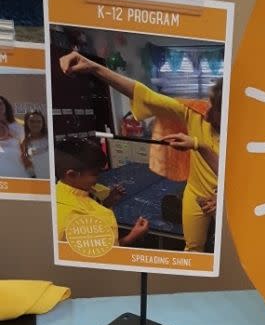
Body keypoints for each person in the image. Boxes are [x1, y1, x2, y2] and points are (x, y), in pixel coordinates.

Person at [59, 50, 221, 252]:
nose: (206, 113)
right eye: (208, 104)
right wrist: (94, 67)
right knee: (193, 247)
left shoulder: (247, 138)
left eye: (214, 110)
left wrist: (225, 198)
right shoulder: (196, 113)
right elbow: (144, 95)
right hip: (197, 193)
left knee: (228, 250)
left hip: (231, 199)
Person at [54, 137, 148, 247]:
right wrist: (132, 236)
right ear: (72, 174)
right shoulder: (97, 218)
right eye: (95, 174)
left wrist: (107, 203)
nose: (98, 178)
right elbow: (109, 253)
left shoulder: (53, 194)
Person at [0, 95, 26, 179]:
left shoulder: (17, 126)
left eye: (0, 104)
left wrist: (10, 132)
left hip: (15, 169)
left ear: (5, 106)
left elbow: (23, 144)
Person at [20, 109, 50, 179]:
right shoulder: (24, 142)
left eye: (39, 121)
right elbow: (27, 165)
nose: (35, 124)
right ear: (27, 123)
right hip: (38, 180)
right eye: (32, 121)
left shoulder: (50, 138)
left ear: (43, 123)